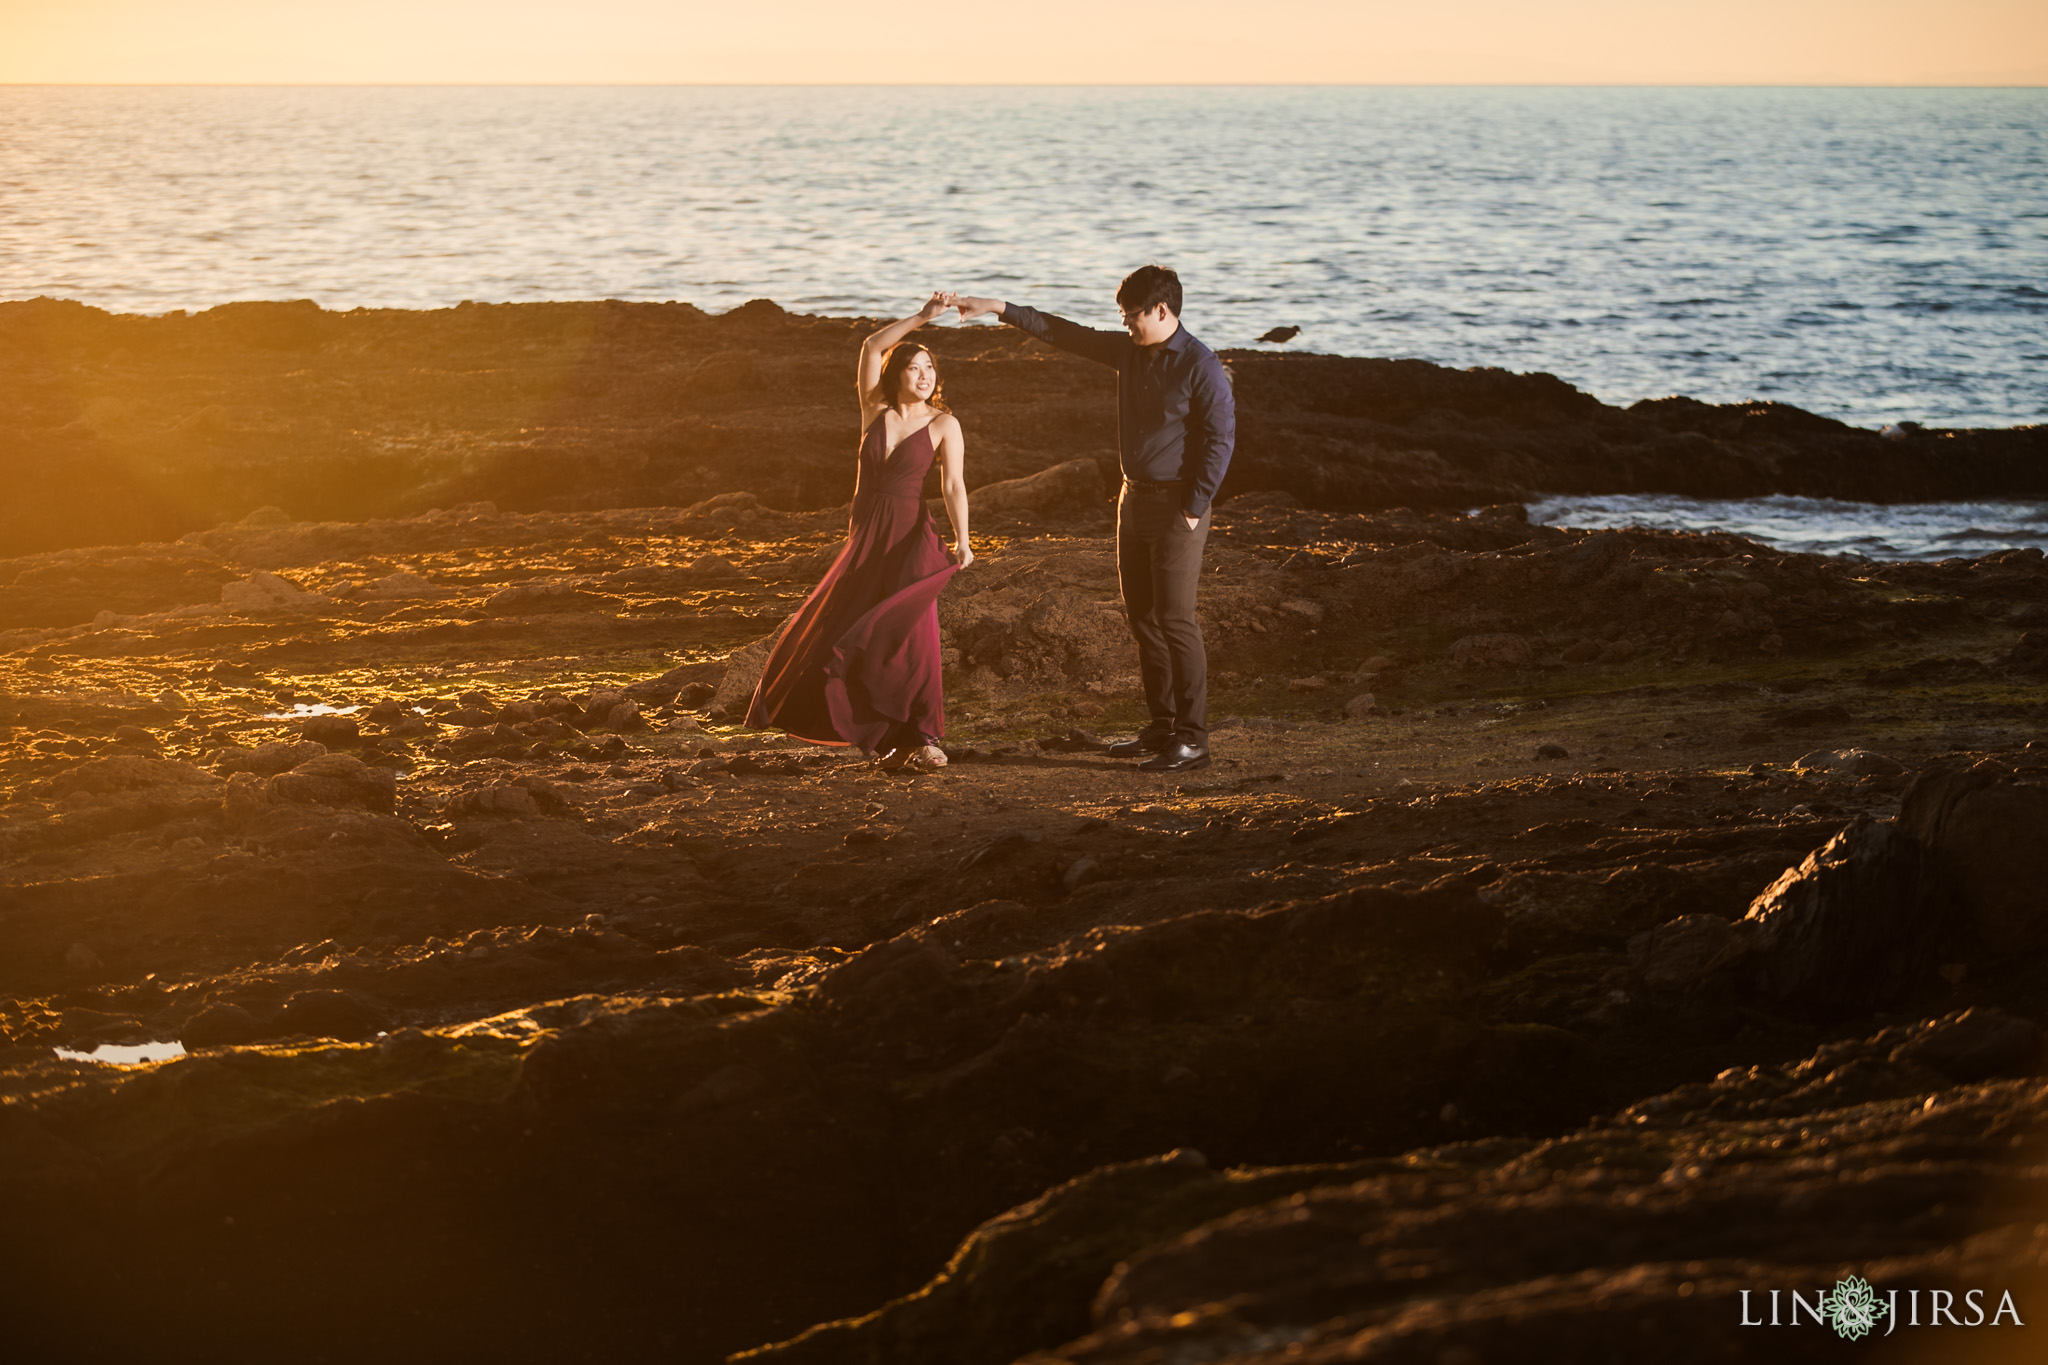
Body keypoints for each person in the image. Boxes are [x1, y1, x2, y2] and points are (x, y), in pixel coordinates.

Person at [956, 266, 1234, 773]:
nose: (1126, 325)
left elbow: (1220, 441)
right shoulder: (1128, 351)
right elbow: (1064, 332)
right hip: (1133, 501)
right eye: (1123, 317)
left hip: (1178, 509)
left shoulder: (1202, 366)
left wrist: (1194, 508)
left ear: (1162, 311)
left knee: (1176, 621)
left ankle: (1194, 740)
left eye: (1132, 317)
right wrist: (997, 307)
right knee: (1143, 618)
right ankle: (1163, 728)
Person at [744, 292, 973, 770]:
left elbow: (954, 484)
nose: (924, 375)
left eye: (930, 367)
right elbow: (871, 347)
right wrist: (921, 318)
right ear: (898, 374)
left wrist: (964, 539)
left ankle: (926, 736)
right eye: (914, 367)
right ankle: (885, 737)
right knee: (844, 627)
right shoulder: (875, 411)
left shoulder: (945, 424)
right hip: (867, 533)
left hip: (910, 533)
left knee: (914, 632)